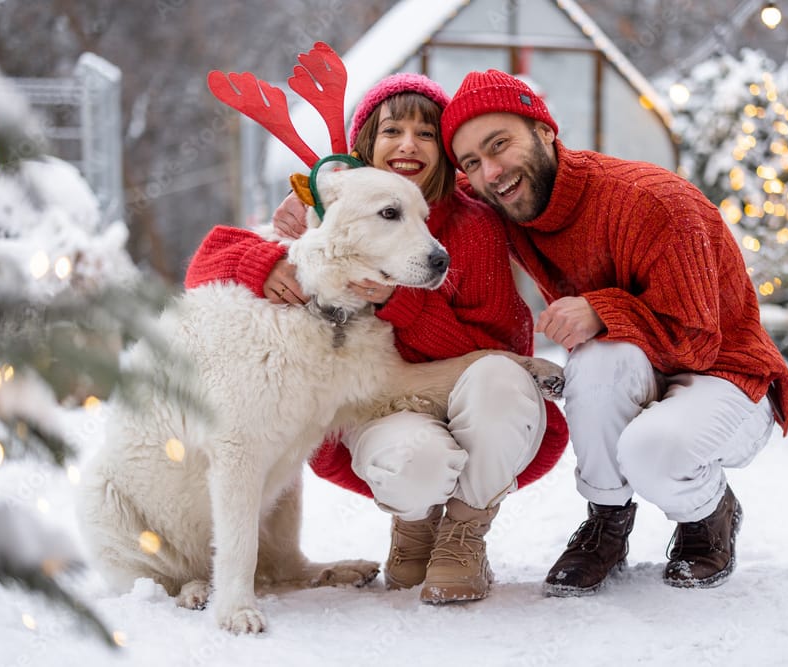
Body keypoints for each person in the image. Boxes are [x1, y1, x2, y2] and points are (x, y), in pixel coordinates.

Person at [184, 73, 568, 604]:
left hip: (468, 399)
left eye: (426, 133)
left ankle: (463, 535)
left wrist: (397, 302)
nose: (408, 144)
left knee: (501, 380)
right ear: (368, 143)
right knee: (413, 459)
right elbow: (214, 255)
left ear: (446, 150)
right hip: (389, 409)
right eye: (392, 130)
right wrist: (265, 260)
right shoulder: (331, 202)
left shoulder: (474, 226)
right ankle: (413, 527)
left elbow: (499, 338)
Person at [438, 69, 788, 595]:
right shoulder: (503, 196)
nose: (490, 172)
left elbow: (698, 341)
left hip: (728, 373)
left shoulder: (652, 203)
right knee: (597, 362)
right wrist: (313, 200)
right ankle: (607, 522)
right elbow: (422, 191)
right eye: (472, 162)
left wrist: (602, 310)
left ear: (544, 131)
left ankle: (710, 514)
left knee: (651, 450)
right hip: (641, 365)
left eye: (499, 144)